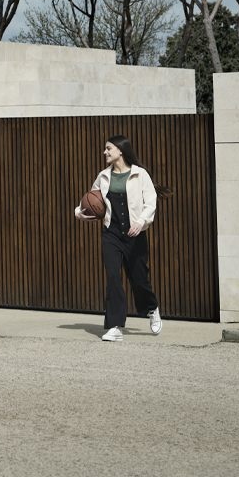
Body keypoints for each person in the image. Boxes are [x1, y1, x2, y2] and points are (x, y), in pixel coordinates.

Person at [74, 135, 169, 342]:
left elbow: (151, 203)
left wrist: (140, 222)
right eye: (105, 149)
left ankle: (151, 308)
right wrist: (78, 212)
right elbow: (91, 200)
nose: (105, 152)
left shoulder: (140, 174)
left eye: (108, 149)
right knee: (113, 277)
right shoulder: (103, 176)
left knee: (139, 280)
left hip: (135, 234)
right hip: (111, 234)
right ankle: (115, 326)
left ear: (120, 151)